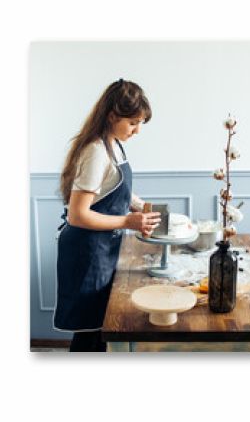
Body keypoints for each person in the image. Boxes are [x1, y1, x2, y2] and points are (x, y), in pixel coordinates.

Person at [53, 79, 161, 352]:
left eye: (140, 124)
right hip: (86, 253)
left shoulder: (114, 144)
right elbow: (78, 215)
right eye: (133, 123)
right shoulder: (96, 152)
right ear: (112, 115)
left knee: (100, 329)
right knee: (89, 334)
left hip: (101, 250)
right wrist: (127, 221)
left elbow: (112, 188)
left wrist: (140, 206)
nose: (137, 131)